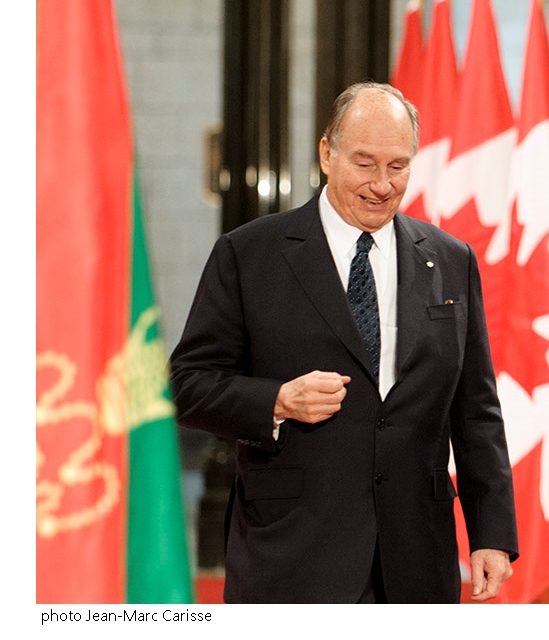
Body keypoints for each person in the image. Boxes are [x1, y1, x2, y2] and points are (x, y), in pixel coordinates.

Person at [170, 82, 518, 603]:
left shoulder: (450, 259)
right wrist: (278, 401)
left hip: (415, 558)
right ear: (327, 155)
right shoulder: (250, 255)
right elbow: (188, 385)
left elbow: (476, 410)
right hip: (290, 553)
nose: (382, 185)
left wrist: (491, 533)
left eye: (398, 166)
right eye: (364, 163)